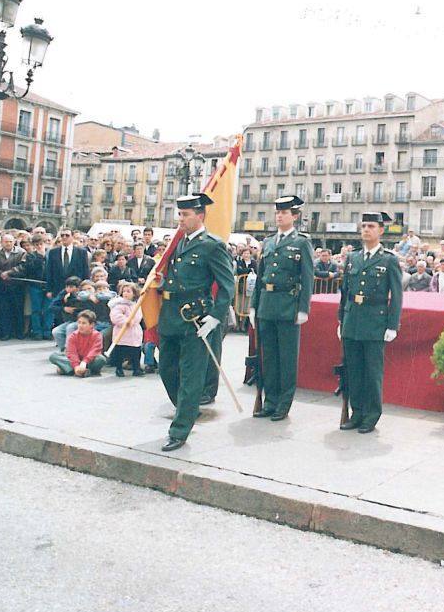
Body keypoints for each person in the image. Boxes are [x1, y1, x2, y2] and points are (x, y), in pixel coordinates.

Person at [155, 193, 236, 451]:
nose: (180, 219)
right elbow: (177, 278)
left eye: (185, 215)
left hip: (195, 318)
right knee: (166, 368)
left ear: (200, 216)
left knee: (191, 375)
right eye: (179, 214)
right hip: (170, 315)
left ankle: (180, 430)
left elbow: (227, 285)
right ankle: (187, 408)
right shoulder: (178, 244)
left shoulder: (213, 245)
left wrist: (215, 317)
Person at [249, 195, 314, 422]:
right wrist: (253, 305)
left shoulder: (301, 242)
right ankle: (270, 401)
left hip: (288, 305)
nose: (279, 216)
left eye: (284, 213)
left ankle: (283, 405)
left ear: (294, 216)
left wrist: (303, 308)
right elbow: (260, 276)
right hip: (267, 304)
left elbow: (307, 277)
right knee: (269, 358)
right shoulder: (267, 242)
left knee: (286, 359)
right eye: (277, 212)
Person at [337, 211, 403, 433]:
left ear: (381, 230)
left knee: (372, 372)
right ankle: (357, 413)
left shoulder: (389, 259)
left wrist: (393, 325)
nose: (366, 229)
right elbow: (344, 292)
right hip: (352, 320)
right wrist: (341, 320)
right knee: (354, 370)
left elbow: (396, 294)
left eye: (371, 226)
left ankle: (371, 415)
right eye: (364, 225)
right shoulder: (353, 258)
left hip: (375, 322)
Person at [0, 233, 26, 340]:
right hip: (1, 285)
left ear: (14, 242)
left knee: (18, 309)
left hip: (16, 285)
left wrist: (9, 273)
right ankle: (5, 333)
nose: (8, 244)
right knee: (4, 310)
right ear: (2, 242)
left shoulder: (21, 252)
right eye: (6, 241)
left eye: (10, 241)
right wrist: (0, 273)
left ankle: (19, 333)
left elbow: (23, 267)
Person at [49, 310, 107, 376]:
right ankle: (82, 371)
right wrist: (76, 366)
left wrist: (84, 362)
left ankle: (68, 369)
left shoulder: (97, 335)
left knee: (101, 359)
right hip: (76, 360)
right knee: (53, 356)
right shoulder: (73, 335)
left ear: (92, 325)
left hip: (89, 361)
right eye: (79, 323)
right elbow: (71, 352)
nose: (80, 325)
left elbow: (94, 351)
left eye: (84, 323)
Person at [108, 281, 145, 377]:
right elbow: (115, 316)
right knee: (120, 352)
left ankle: (136, 368)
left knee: (136, 351)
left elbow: (138, 315)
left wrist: (133, 321)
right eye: (124, 291)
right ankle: (119, 368)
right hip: (122, 332)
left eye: (128, 291)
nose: (125, 293)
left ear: (134, 294)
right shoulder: (118, 305)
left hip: (134, 333)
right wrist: (125, 321)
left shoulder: (135, 305)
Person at [45, 228, 90, 303]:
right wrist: (49, 290)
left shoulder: (81, 252)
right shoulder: (53, 252)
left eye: (67, 235)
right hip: (57, 289)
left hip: (76, 289)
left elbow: (85, 271)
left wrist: (84, 288)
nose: (64, 237)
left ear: (72, 237)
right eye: (62, 235)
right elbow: (49, 272)